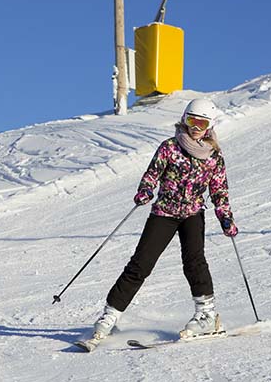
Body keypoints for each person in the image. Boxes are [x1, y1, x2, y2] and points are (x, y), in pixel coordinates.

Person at [91, 99, 238, 342]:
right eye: (191, 121)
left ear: (210, 125)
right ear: (184, 119)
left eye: (201, 123)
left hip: (192, 213)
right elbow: (152, 174)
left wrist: (225, 217)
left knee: (194, 261)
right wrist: (145, 191)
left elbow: (219, 191)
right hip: (164, 212)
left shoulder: (214, 156)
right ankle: (110, 315)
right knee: (141, 263)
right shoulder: (169, 147)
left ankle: (207, 315)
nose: (195, 128)